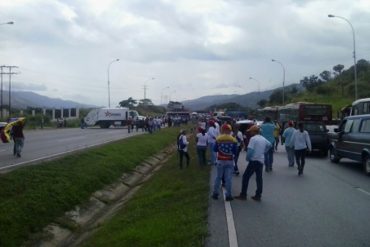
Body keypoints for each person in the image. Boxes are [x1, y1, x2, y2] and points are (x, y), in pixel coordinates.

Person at [235, 125, 271, 201]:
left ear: (254, 132)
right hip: (260, 160)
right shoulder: (263, 139)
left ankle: (243, 194)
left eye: (251, 131)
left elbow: (250, 151)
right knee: (259, 178)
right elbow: (269, 145)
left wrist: (248, 158)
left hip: (254, 160)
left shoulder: (253, 139)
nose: (250, 133)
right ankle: (258, 195)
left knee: (245, 177)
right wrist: (264, 151)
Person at [211, 124, 237, 201]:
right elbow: (235, 151)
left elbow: (215, 149)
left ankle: (215, 194)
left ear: (222, 130)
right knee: (228, 179)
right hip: (229, 160)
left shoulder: (218, 139)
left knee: (218, 177)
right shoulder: (233, 139)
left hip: (220, 160)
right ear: (230, 130)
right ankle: (228, 195)